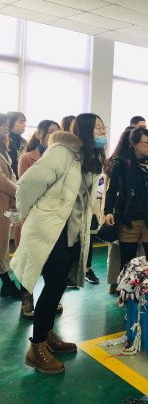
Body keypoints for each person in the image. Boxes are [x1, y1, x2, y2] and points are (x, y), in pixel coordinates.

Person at [11, 113, 105, 374]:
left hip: (71, 232)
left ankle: (47, 332)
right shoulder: (61, 152)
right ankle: (37, 348)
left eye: (103, 127)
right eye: (97, 127)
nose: (102, 132)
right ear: (84, 130)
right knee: (53, 286)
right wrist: (28, 213)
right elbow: (28, 184)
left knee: (59, 284)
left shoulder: (87, 158)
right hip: (51, 231)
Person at [104, 127, 148, 268]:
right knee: (127, 264)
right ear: (134, 144)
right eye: (146, 143)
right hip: (128, 220)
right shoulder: (121, 165)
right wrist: (108, 211)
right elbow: (112, 191)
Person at [15, 120, 61, 319]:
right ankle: (27, 301)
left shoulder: (61, 160)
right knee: (28, 262)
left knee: (50, 263)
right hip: (31, 219)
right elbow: (27, 189)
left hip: (52, 220)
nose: (53, 136)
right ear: (39, 134)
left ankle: (50, 299)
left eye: (56, 132)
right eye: (49, 132)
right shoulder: (27, 158)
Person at [0, 113, 18, 299]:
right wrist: (18, 192)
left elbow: (10, 173)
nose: (6, 127)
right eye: (2, 124)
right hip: (3, 201)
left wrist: (16, 190)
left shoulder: (4, 147)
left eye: (6, 124)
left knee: (3, 243)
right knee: (1, 243)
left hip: (6, 204)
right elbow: (2, 180)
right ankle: (7, 284)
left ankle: (6, 284)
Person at [6, 111, 27, 180]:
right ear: (10, 123)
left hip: (21, 178)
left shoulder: (25, 143)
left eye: (24, 122)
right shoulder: (4, 141)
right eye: (21, 122)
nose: (24, 125)